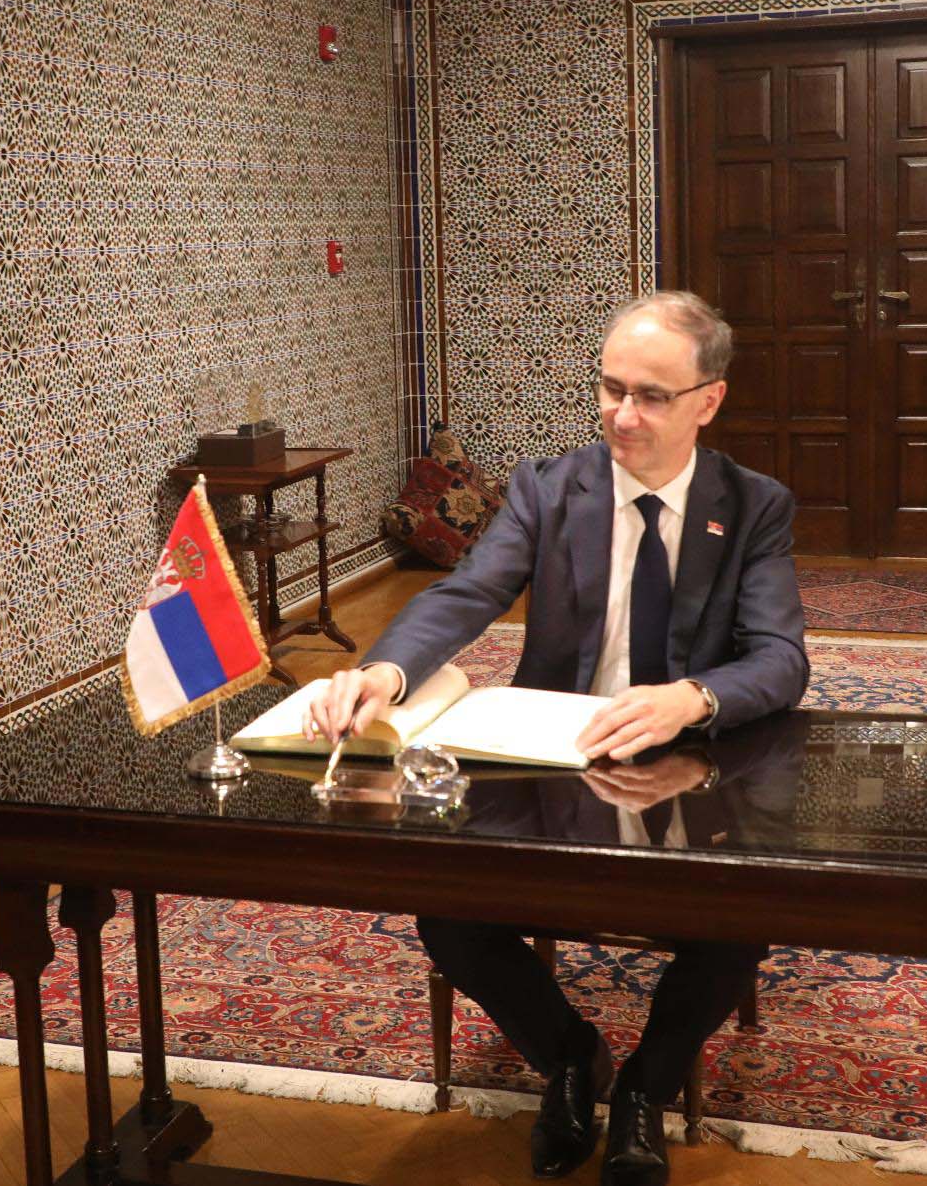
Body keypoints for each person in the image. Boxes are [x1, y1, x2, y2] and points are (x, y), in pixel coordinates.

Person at [306, 290, 809, 1185]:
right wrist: (387, 672)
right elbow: (468, 593)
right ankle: (572, 1058)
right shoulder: (549, 487)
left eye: (651, 395)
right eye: (611, 388)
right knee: (447, 909)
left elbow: (780, 658)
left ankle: (647, 1088)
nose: (623, 414)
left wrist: (691, 698)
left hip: (686, 761)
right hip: (551, 759)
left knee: (740, 922)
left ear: (709, 400)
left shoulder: (753, 505)